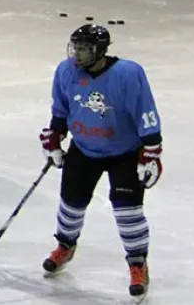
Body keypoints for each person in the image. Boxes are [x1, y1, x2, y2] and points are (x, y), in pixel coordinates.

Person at [39, 24, 161, 301]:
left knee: (128, 214)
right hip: (84, 149)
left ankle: (137, 263)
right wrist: (55, 136)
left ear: (100, 50)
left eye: (84, 49)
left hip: (125, 152)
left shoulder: (128, 74)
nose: (77, 55)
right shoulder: (66, 71)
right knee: (70, 205)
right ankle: (65, 246)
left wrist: (151, 151)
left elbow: (145, 112)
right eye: (75, 48)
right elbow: (61, 108)